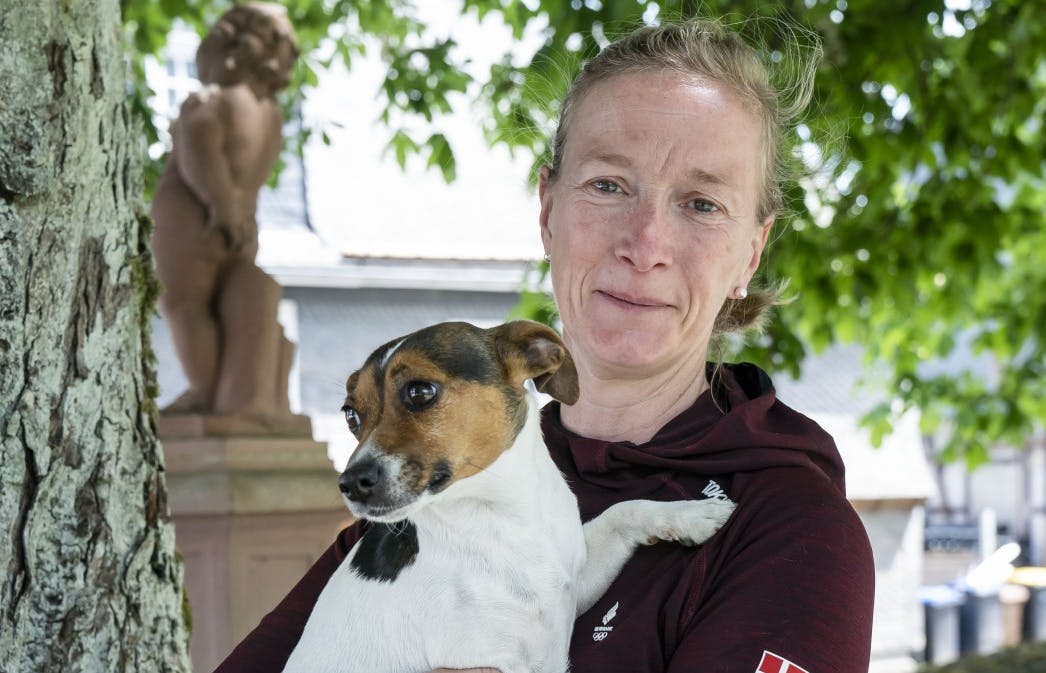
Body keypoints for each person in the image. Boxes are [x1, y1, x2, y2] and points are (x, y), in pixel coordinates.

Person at [215, 18, 875, 673]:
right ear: (547, 212)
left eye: (701, 203)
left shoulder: (791, 529)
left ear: (749, 255)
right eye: (609, 185)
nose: (645, 245)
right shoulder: (445, 482)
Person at [151, 2, 299, 422]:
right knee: (223, 304)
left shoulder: (210, 101)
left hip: (195, 217)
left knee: (186, 305)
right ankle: (232, 393)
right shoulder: (270, 115)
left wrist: (220, 204)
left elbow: (199, 151)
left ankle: (207, 391)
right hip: (242, 225)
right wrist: (237, 213)